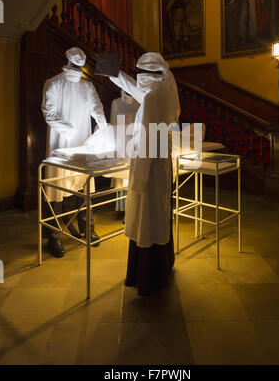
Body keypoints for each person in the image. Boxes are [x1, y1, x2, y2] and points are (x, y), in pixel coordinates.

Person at [109, 52, 180, 296]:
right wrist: (115, 74)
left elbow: (148, 140)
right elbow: (139, 92)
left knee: (146, 217)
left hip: (148, 165)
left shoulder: (151, 97)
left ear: (147, 75)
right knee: (160, 215)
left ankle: (146, 278)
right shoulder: (163, 91)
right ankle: (162, 267)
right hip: (161, 162)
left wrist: (138, 179)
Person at [41, 47, 107, 258]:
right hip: (59, 146)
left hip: (82, 146)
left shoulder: (87, 87)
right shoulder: (53, 83)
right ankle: (53, 236)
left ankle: (87, 229)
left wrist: (103, 126)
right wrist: (69, 130)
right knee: (55, 190)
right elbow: (49, 113)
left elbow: (97, 108)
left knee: (83, 186)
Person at [110, 90, 139, 219]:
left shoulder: (140, 102)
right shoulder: (116, 103)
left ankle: (136, 209)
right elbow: (113, 125)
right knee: (123, 178)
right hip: (122, 145)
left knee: (136, 177)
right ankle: (125, 210)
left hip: (137, 144)